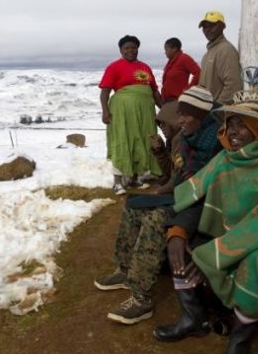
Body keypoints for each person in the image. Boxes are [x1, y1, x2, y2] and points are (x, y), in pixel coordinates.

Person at [153, 85, 258, 354]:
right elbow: (196, 192)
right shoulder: (230, 156)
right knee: (179, 245)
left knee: (255, 264)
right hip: (227, 234)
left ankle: (240, 339)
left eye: (241, 124)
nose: (232, 130)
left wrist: (212, 255)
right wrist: (178, 231)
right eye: (230, 122)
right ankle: (193, 318)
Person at [94, 87, 223, 325]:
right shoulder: (186, 137)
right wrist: (163, 189)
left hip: (204, 203)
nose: (180, 120)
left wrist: (169, 193)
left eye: (186, 114)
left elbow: (209, 187)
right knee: (134, 204)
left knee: (156, 218)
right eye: (179, 114)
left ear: (202, 115)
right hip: (184, 195)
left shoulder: (218, 142)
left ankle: (141, 298)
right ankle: (125, 269)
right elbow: (179, 174)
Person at [99, 35, 163, 195]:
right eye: (126, 48)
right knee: (123, 141)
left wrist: (163, 109)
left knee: (142, 141)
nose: (130, 51)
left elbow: (154, 91)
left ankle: (135, 178)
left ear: (137, 49)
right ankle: (118, 182)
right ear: (121, 50)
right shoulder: (114, 67)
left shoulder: (145, 67)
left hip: (145, 113)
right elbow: (105, 91)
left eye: (133, 47)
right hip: (123, 113)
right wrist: (105, 111)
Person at [197, 11, 242, 105]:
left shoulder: (226, 50)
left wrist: (217, 110)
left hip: (218, 114)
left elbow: (233, 85)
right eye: (205, 27)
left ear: (222, 26)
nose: (208, 30)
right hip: (206, 111)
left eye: (212, 25)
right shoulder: (207, 55)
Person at [161, 38, 200, 104]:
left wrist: (188, 90)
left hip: (179, 100)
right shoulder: (170, 62)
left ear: (174, 48)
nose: (165, 52)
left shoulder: (184, 58)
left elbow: (198, 73)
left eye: (166, 49)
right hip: (167, 101)